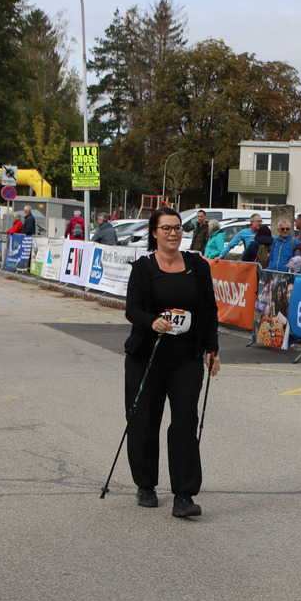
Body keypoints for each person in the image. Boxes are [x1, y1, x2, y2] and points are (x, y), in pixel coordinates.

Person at [124, 206, 220, 517]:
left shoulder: (196, 265)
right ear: (154, 233)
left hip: (185, 359)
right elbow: (132, 310)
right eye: (166, 228)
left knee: (184, 423)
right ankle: (146, 485)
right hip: (147, 357)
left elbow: (209, 310)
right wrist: (152, 321)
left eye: (177, 228)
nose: (173, 233)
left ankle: (184, 495)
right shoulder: (142, 268)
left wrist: (212, 349)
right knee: (144, 422)